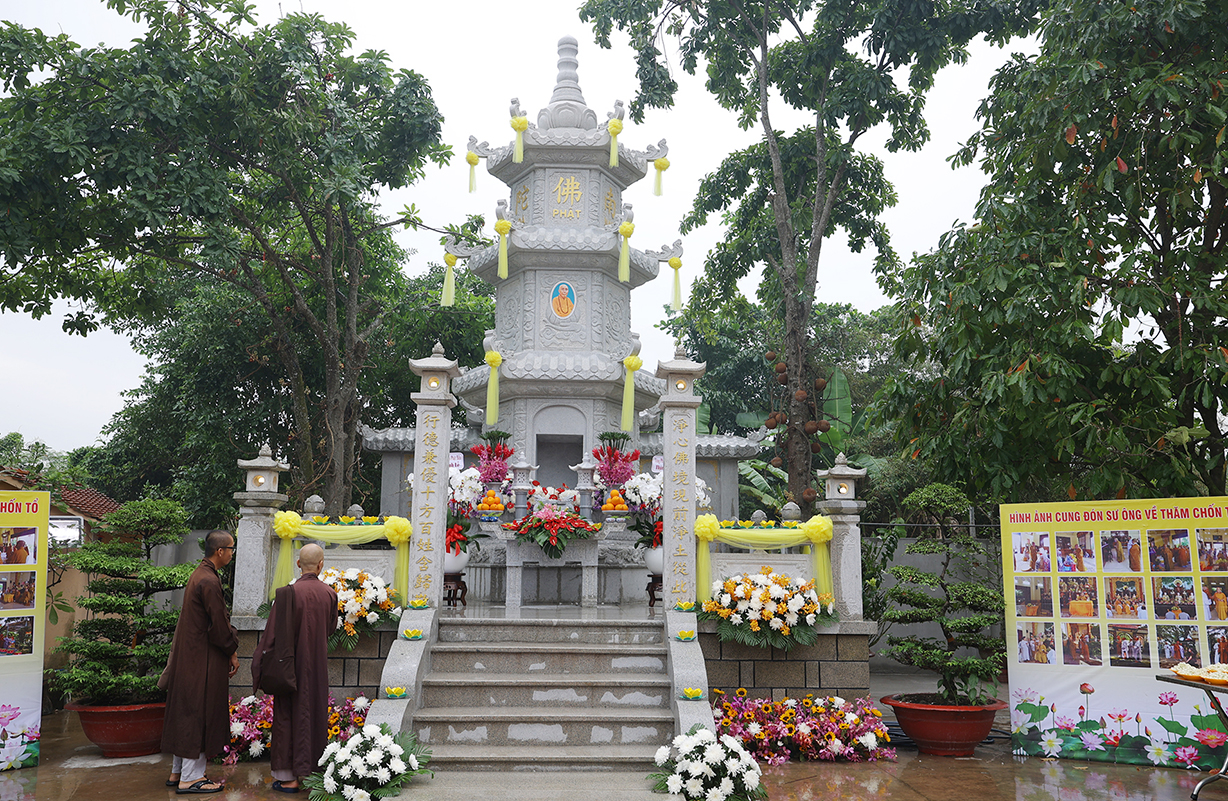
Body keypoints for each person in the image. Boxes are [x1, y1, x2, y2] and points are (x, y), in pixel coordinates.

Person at [252, 543, 338, 793]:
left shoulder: (287, 594)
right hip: (317, 667)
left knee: (288, 715)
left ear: (298, 564)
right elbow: (330, 629)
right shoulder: (329, 594)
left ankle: (289, 778)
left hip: (289, 666)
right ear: (321, 565)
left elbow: (271, 635)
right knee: (315, 714)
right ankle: (313, 773)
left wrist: (259, 664)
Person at [161, 530, 238, 794]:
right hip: (202, 659)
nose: (232, 553)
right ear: (220, 551)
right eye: (231, 549)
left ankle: (178, 771)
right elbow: (219, 625)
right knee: (199, 713)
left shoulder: (200, 574)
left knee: (186, 712)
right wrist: (232, 649)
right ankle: (191, 778)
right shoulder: (209, 580)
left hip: (191, 656)